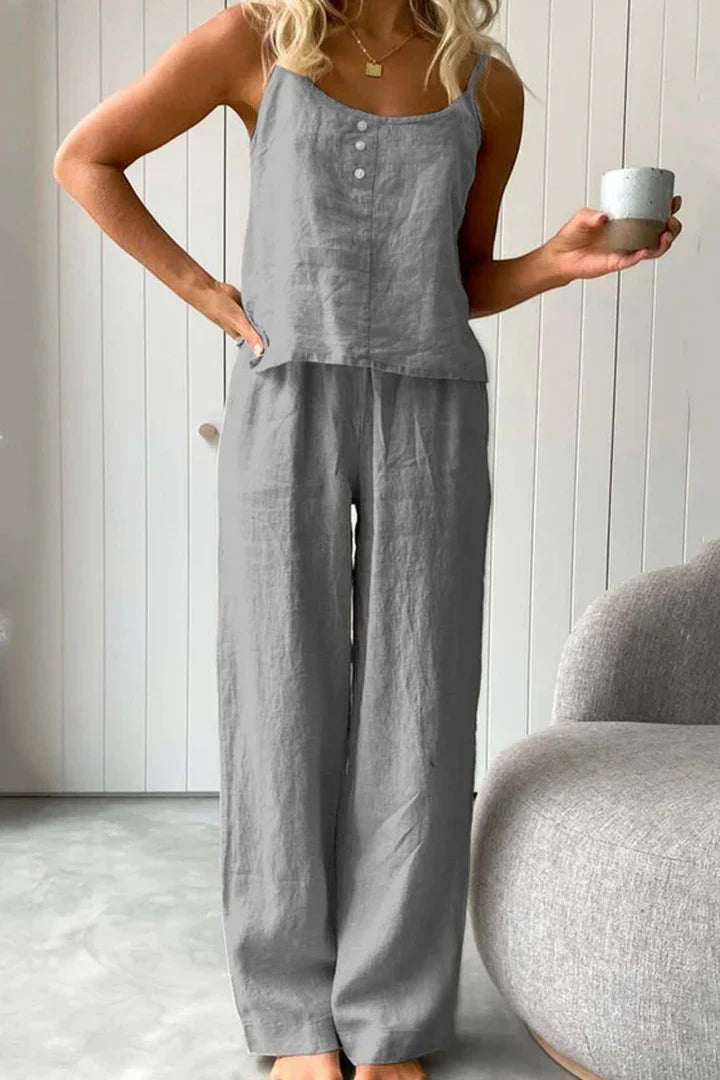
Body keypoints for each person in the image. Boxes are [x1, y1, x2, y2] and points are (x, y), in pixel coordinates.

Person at [53, 1, 682, 1078]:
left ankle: (389, 1014)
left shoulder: (485, 83)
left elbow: (461, 279)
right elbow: (87, 159)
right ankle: (293, 1015)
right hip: (285, 394)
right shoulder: (254, 41)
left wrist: (558, 261)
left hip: (432, 406)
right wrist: (207, 293)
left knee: (419, 704)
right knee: (280, 696)